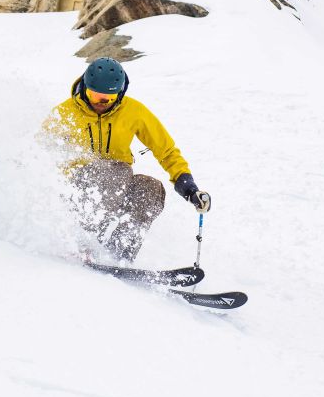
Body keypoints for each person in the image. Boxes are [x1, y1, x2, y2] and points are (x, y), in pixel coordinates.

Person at [44, 56, 210, 262]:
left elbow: (166, 150)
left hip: (116, 183)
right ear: (85, 88)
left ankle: (118, 255)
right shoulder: (64, 113)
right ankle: (83, 245)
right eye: (95, 96)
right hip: (78, 188)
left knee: (150, 189)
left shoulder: (133, 112)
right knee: (116, 172)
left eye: (109, 98)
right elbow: (39, 152)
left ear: (120, 94)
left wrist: (188, 186)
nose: (101, 103)